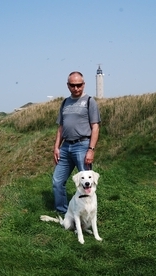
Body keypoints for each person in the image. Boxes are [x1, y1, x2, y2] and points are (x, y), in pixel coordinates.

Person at [52, 71, 101, 214]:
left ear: (83, 84)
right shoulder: (65, 103)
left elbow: (95, 126)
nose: (76, 88)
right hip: (66, 147)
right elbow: (61, 127)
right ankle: (64, 212)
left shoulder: (90, 102)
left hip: (83, 145)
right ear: (68, 85)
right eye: (73, 85)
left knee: (87, 183)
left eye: (79, 85)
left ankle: (88, 211)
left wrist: (91, 149)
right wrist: (56, 147)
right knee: (57, 181)